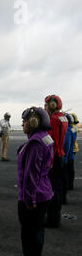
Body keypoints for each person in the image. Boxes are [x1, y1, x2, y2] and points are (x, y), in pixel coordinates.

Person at [17, 107, 54, 256]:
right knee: (37, 233)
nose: (22, 124)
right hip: (44, 193)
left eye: (24, 121)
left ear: (32, 122)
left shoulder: (35, 143)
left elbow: (31, 174)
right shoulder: (45, 138)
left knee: (29, 236)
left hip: (33, 198)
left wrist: (29, 200)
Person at [43, 94, 68, 228]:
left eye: (46, 105)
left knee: (52, 189)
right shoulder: (63, 118)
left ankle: (52, 219)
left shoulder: (53, 119)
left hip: (54, 157)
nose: (44, 107)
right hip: (61, 155)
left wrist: (48, 161)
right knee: (57, 188)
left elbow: (50, 142)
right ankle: (55, 218)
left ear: (52, 105)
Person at [62, 114, 76, 204]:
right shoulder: (73, 129)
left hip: (67, 157)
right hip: (71, 156)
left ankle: (63, 198)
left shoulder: (67, 131)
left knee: (64, 177)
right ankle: (70, 186)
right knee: (70, 173)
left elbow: (66, 146)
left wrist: (64, 159)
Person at [67, 113, 79, 190]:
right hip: (74, 148)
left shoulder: (72, 128)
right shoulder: (74, 127)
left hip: (72, 149)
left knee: (69, 168)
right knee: (70, 168)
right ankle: (70, 184)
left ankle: (69, 184)